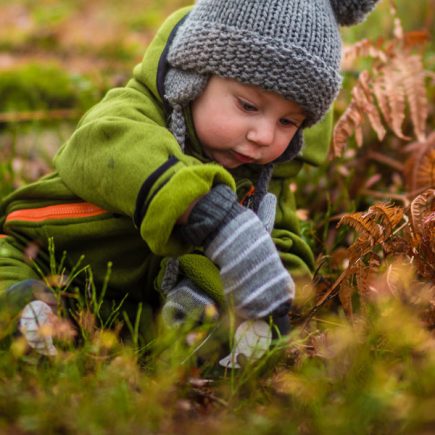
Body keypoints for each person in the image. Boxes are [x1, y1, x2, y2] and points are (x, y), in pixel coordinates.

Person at [0, 0, 380, 355]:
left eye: (287, 122)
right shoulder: (134, 113)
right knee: (7, 271)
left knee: (192, 333)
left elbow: (281, 243)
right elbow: (101, 149)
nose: (263, 135)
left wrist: (268, 302)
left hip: (134, 300)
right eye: (248, 105)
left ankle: (91, 333)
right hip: (41, 250)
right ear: (192, 78)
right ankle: (23, 309)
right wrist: (209, 214)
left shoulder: (263, 172)